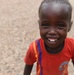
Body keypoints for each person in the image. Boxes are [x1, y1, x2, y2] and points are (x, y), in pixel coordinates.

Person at [23, 0, 74, 75]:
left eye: (60, 25)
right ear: (39, 25)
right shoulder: (34, 48)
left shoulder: (72, 45)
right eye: (45, 24)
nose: (52, 32)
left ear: (69, 26)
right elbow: (28, 65)